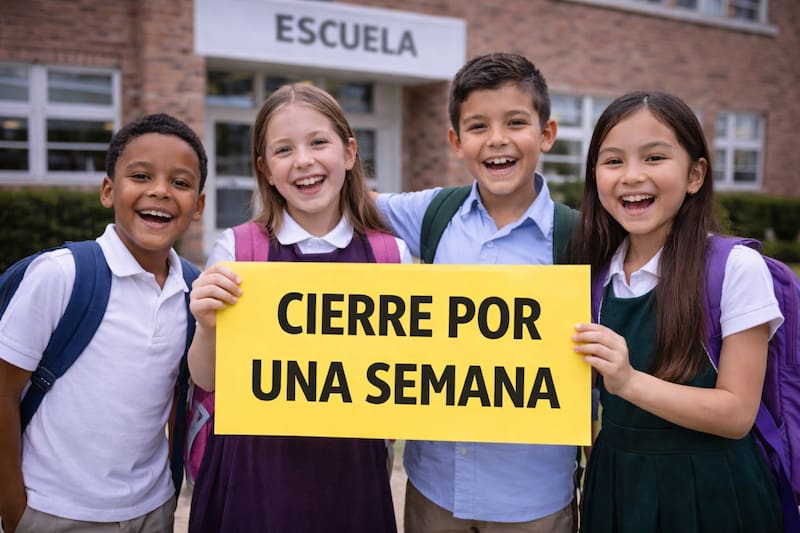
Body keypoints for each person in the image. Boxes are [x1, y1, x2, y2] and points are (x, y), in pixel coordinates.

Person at [187, 82, 410, 533]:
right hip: (252, 470)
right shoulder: (237, 248)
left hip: (352, 473)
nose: (303, 160)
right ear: (265, 169)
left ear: (349, 153)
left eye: (318, 142)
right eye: (284, 150)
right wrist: (208, 326)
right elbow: (207, 379)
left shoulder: (391, 255)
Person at [374, 52, 576, 532]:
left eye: (516, 122)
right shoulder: (431, 213)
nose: (498, 139)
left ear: (546, 134)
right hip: (434, 490)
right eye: (478, 126)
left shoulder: (579, 238)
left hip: (534, 500)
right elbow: (336, 203)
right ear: (456, 141)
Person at [572, 91, 783, 532]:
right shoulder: (592, 276)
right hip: (616, 488)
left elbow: (737, 414)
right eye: (613, 161)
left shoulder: (734, 269)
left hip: (715, 493)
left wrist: (628, 381)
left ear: (695, 174)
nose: (631, 176)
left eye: (654, 158)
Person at [0, 113, 207, 532]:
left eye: (181, 182)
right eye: (141, 175)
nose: (160, 191)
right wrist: (14, 509)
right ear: (109, 190)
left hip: (154, 510)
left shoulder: (194, 289)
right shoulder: (61, 275)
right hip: (52, 511)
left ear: (199, 205)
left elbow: (175, 395)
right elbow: (3, 392)